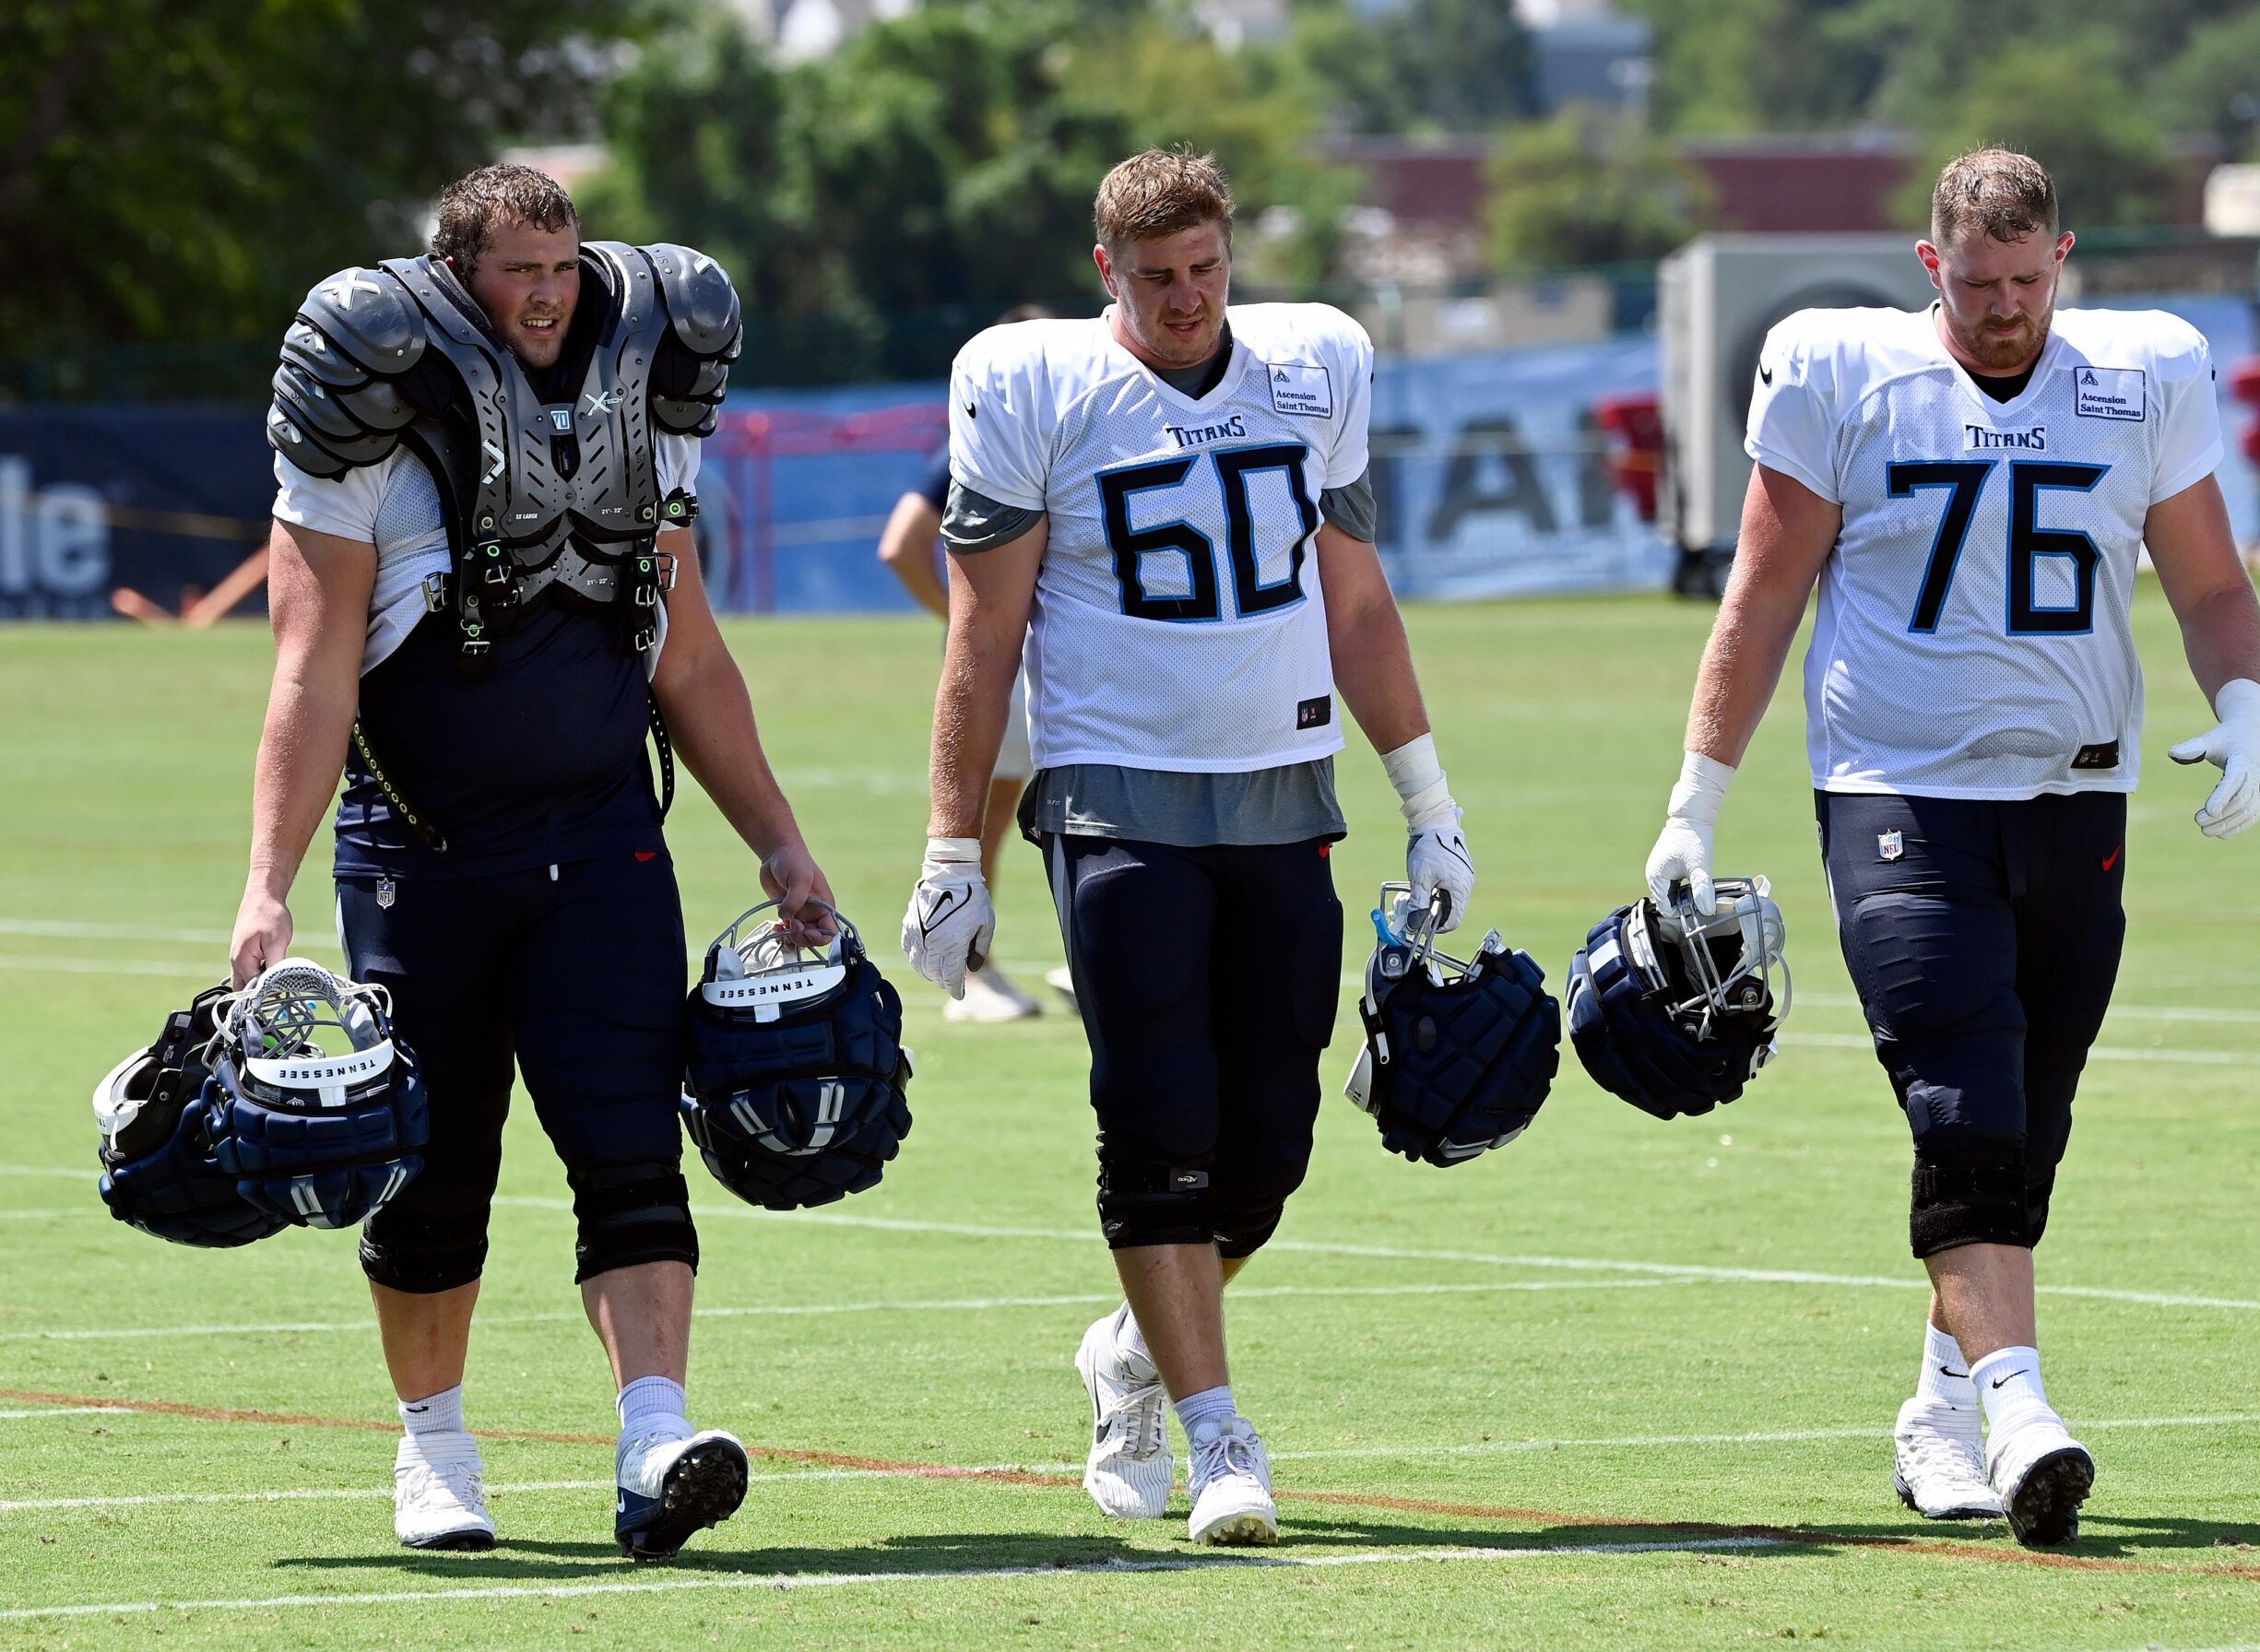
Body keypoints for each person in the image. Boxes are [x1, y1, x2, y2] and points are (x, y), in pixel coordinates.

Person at [1645, 148, 2260, 1546]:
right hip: (1896, 795)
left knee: (2026, 1127)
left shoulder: (2144, 372)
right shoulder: (1841, 372)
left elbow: (2211, 576)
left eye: (2025, 279)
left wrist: (2247, 708)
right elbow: (1763, 592)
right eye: (1975, 283)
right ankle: (2021, 1405)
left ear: (2066, 260)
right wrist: (1695, 799)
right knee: (1960, 1090)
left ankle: (1937, 1406)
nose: (2002, 310)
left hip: (2074, 798)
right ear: (1931, 269)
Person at [237, 164, 837, 1560]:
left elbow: (682, 654)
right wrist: (269, 877)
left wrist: (780, 840)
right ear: (460, 278)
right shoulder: (369, 441)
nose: (550, 296)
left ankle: (654, 1439)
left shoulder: (644, 410)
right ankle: (435, 1448)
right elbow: (310, 674)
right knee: (435, 1172)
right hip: (422, 856)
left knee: (630, 1148)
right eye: (519, 271)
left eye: (564, 268)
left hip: (606, 841)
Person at [900, 148, 1474, 1546]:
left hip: (1285, 790)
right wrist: (950, 850)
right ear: (1110, 271)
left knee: (1268, 1146)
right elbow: (983, 637)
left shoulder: (1313, 363)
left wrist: (1428, 796)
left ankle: (1136, 1349)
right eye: (1158, 278)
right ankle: (1218, 1434)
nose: (1187, 299)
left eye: (1208, 270)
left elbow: (1356, 601)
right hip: (1115, 795)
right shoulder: (1040, 384)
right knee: (1156, 1115)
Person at [875, 304, 1067, 1021]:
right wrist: (967, 621)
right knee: (989, 819)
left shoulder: (1067, 434)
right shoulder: (983, 441)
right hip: (1016, 661)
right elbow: (900, 543)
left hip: (1066, 658)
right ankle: (973, 973)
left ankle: (1094, 957)